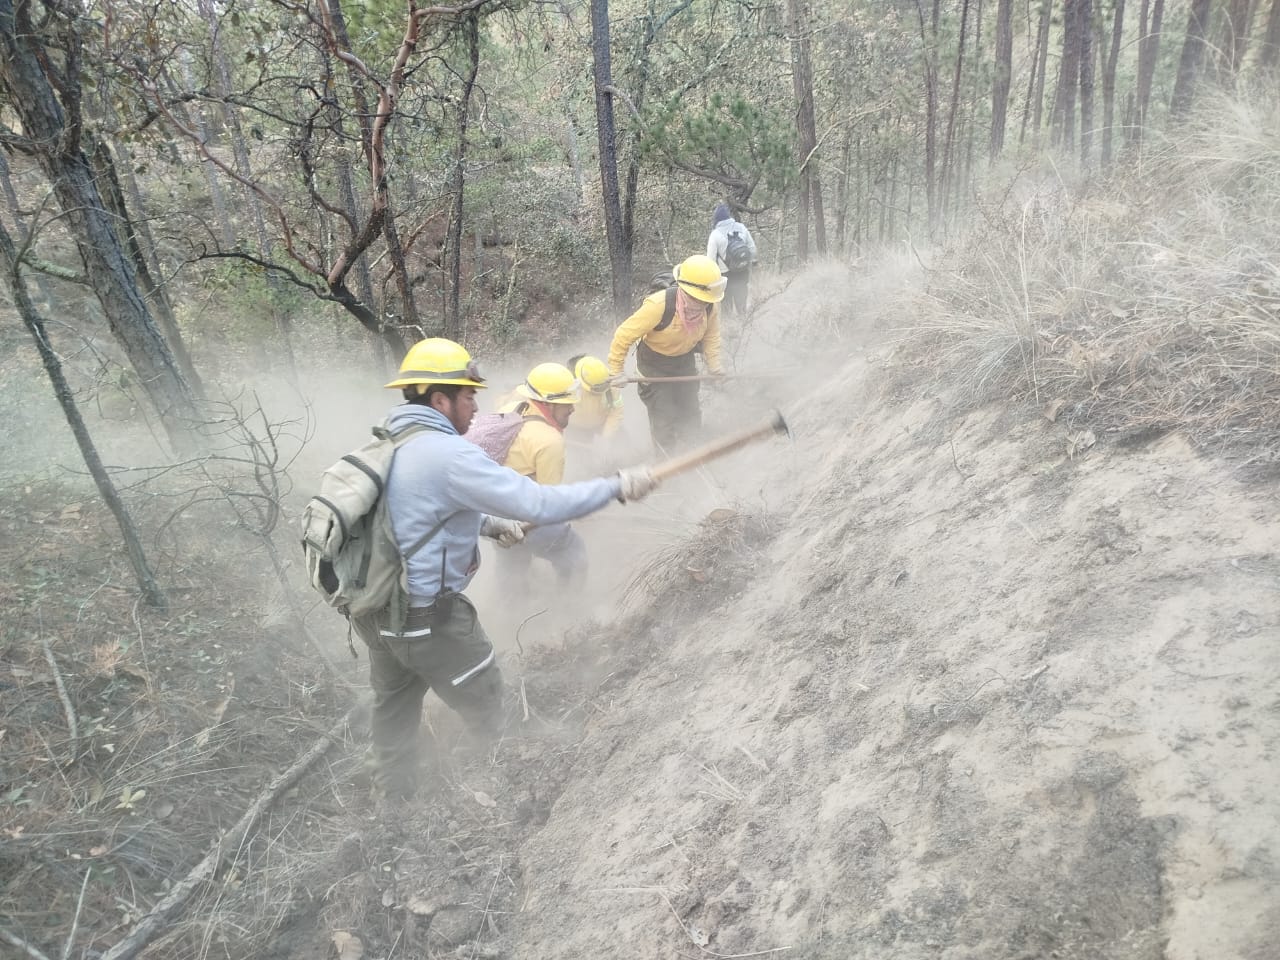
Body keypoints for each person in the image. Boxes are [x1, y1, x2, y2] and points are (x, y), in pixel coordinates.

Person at [352, 338, 659, 798]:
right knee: (491, 703)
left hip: (379, 615)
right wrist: (616, 485)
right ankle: (509, 793)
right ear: (440, 399)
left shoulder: (389, 443)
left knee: (393, 710)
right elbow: (539, 501)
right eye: (467, 395)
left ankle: (393, 808)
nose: (477, 406)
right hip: (427, 620)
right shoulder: (447, 454)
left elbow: (418, 512)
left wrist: (492, 524)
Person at [607, 254, 725, 451]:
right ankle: (667, 459)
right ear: (685, 291)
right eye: (698, 300)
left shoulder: (711, 305)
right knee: (663, 417)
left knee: (690, 411)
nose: (702, 305)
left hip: (684, 361)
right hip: (654, 366)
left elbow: (711, 337)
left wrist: (715, 366)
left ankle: (694, 451)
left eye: (706, 301)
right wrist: (616, 371)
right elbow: (623, 335)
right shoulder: (658, 305)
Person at [492, 362, 589, 591]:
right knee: (575, 555)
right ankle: (568, 611)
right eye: (566, 404)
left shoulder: (511, 407)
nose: (573, 409)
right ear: (547, 404)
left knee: (512, 567)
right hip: (527, 517)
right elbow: (548, 503)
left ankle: (510, 611)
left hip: (495, 518)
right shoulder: (549, 440)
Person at [706, 202, 758, 317]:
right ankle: (744, 327)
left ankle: (730, 330)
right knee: (741, 305)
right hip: (742, 271)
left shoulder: (715, 235)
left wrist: (712, 278)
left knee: (726, 307)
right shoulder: (742, 227)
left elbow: (710, 260)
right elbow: (752, 249)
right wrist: (749, 262)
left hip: (725, 275)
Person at [565, 354, 623, 444]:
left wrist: (606, 437)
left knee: (622, 443)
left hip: (602, 426)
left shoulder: (612, 387)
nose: (600, 391)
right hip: (575, 429)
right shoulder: (567, 387)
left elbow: (615, 413)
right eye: (596, 388)